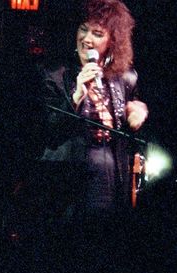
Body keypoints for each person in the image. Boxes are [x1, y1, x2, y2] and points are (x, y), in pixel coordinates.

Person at [40, 0, 148, 221]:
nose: (87, 39)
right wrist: (76, 95)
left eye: (97, 33)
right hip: (69, 187)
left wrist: (138, 119)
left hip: (113, 180)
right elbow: (46, 133)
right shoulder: (54, 76)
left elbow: (133, 139)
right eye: (83, 29)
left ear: (112, 41)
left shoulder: (126, 79)